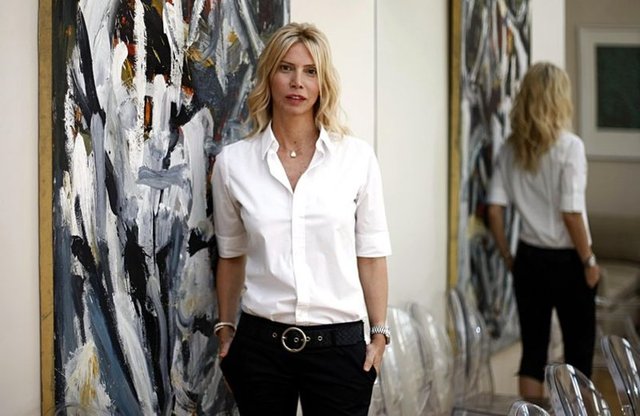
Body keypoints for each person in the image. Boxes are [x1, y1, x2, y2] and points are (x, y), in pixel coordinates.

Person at [211, 22, 391, 415]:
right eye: (286, 68)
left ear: (323, 82)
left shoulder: (356, 159)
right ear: (269, 76)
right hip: (260, 349)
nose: (298, 82)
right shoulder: (233, 164)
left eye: (310, 71)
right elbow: (231, 255)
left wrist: (379, 335)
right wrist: (225, 332)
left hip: (340, 348)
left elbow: (371, 254)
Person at [487, 62, 600, 399]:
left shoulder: (510, 149)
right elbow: (571, 214)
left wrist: (508, 256)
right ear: (559, 99)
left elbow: (494, 210)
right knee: (579, 352)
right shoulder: (570, 147)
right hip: (570, 261)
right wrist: (589, 261)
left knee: (533, 352)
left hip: (529, 259)